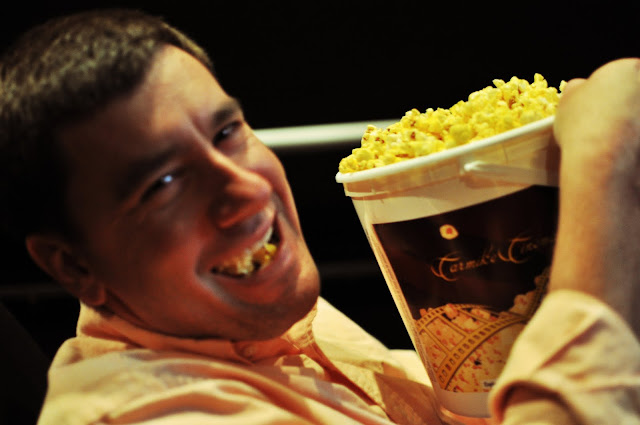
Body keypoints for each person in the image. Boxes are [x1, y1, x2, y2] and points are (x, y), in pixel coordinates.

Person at [0, 8, 638, 425]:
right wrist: (604, 175)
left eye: (226, 132)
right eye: (163, 184)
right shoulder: (147, 414)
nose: (247, 188)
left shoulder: (239, 309)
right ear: (74, 266)